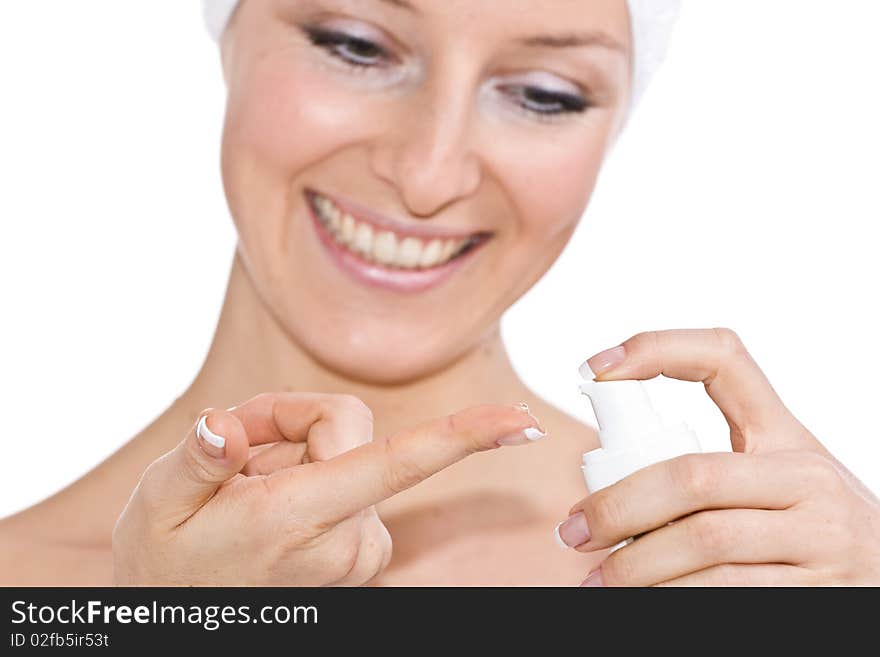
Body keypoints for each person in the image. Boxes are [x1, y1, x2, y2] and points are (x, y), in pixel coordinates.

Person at [1, 0, 877, 586]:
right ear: (223, 26)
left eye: (542, 94)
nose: (428, 174)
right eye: (354, 44)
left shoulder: (753, 573)